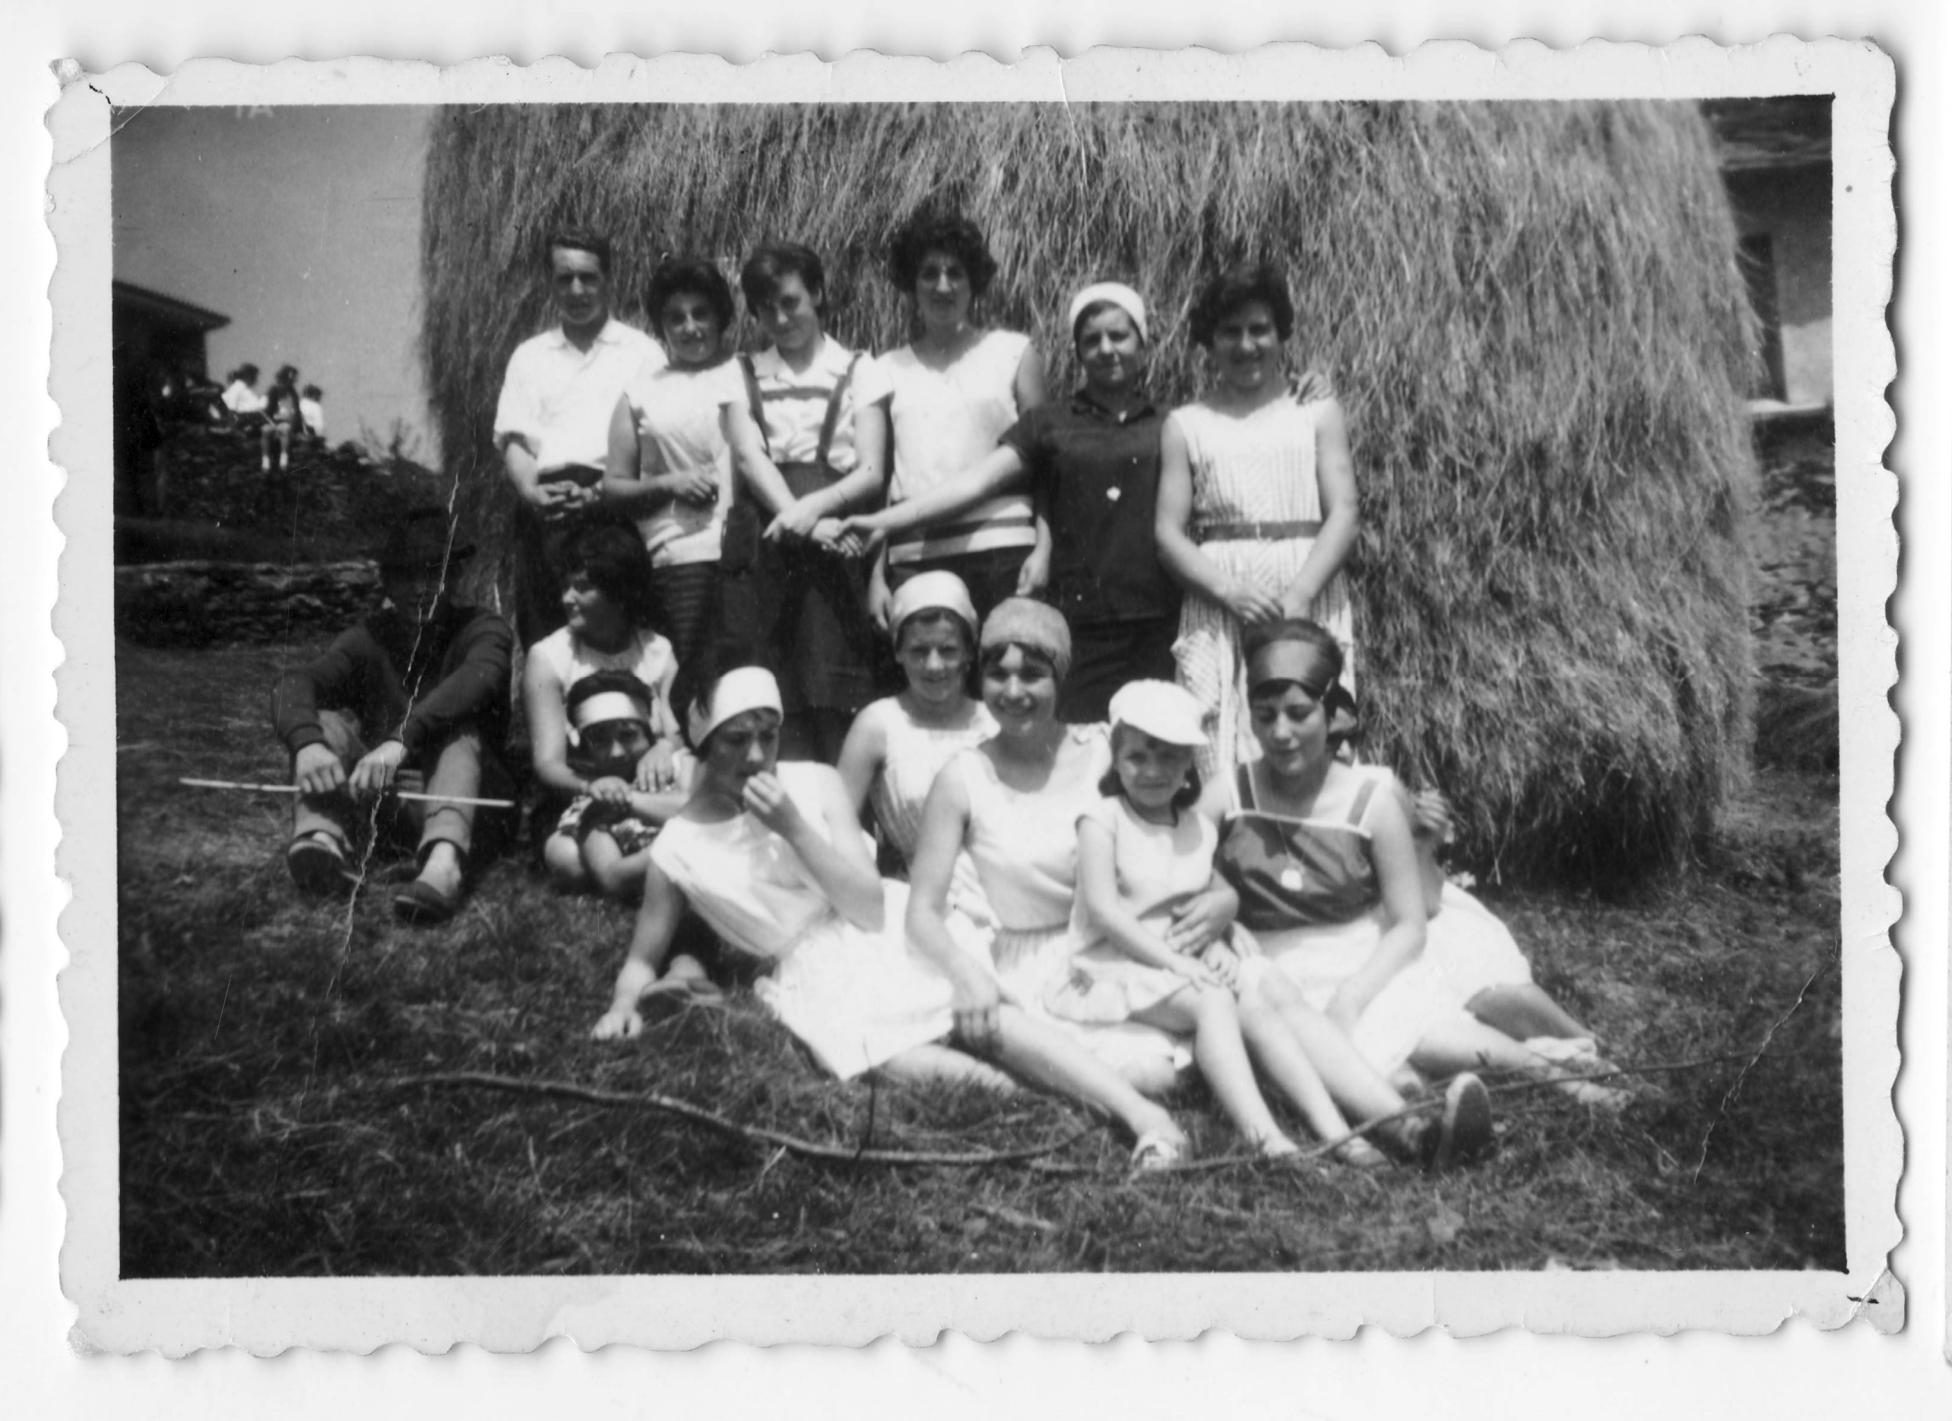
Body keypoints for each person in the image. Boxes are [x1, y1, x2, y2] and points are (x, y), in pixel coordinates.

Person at [593, 661, 1183, 1150]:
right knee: (894, 1057)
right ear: (701, 742)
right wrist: (623, 1004)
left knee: (982, 1019)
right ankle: (1059, 1107)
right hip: (809, 970)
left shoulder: (813, 783)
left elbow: (867, 906)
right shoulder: (676, 849)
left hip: (875, 933)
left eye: (767, 736)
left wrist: (793, 828)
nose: (756, 755)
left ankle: (1144, 1116)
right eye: (735, 740)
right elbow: (643, 956)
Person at [1213, 620, 1626, 1112]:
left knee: (1430, 1034)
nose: (1280, 733)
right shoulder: (1228, 791)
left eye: (1298, 714)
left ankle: (1557, 1077)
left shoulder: (1372, 799)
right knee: (1361, 1062)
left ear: (1330, 712)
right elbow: (1179, 864)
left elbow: (1409, 924)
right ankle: (1434, 1114)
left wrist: (1352, 995)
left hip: (1359, 954)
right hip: (1270, 965)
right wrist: (1222, 908)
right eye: (1265, 716)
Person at [904, 599, 1197, 1145]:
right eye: (998, 674)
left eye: (1033, 675)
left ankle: (1048, 1082)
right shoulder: (962, 776)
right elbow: (921, 910)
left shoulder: (1106, 752)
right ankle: (1140, 1118)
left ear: (1060, 677)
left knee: (1159, 1071)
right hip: (1016, 964)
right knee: (1014, 1027)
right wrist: (968, 976)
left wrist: (1220, 904)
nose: (1013, 692)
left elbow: (1177, 835)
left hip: (1107, 950)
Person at [1058, 680, 1386, 1165]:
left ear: (1189, 763)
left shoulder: (1195, 827)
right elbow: (1106, 914)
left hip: (1177, 965)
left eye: (1169, 757)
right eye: (1137, 757)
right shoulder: (1102, 819)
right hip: (1112, 965)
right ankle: (1266, 1136)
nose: (1153, 771)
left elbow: (1211, 892)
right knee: (1214, 999)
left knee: (1254, 996)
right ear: (1116, 759)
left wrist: (1219, 936)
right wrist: (1180, 964)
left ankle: (1337, 1130)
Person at [845, 281, 1180, 725]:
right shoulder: (1048, 424)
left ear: (1143, 342)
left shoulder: (1173, 423)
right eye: (1092, 340)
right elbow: (974, 484)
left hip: (1156, 618)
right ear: (1077, 352)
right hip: (1079, 621)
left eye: (1119, 336)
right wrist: (883, 522)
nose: (1106, 349)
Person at [1156, 261, 1359, 775]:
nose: (1246, 345)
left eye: (1259, 329)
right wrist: (1230, 592)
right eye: (1230, 332)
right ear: (1210, 340)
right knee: (1218, 737)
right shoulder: (1186, 423)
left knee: (1310, 724)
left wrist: (1301, 595)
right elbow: (1167, 533)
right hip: (1222, 596)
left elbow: (1344, 512)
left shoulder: (1316, 411)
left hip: (1305, 585)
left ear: (1280, 333)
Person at [271, 506, 516, 925]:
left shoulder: (483, 628)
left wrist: (400, 740)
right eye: (405, 576)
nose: (420, 589)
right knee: (326, 724)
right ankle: (320, 840)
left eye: (433, 574)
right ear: (386, 581)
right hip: (384, 801)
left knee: (459, 733)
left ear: (455, 576)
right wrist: (307, 743)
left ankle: (443, 866)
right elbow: (296, 682)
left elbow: (480, 678)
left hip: (470, 802)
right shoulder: (369, 636)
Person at [730, 242, 890, 761]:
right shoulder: (742, 371)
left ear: (817, 294)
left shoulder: (859, 368)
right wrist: (798, 519)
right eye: (766, 309)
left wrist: (811, 513)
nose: (780, 319)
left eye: (791, 302)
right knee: (777, 689)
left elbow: (872, 470)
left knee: (836, 688)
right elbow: (750, 458)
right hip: (772, 546)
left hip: (838, 547)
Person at [602, 256, 785, 678]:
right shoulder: (640, 393)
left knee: (748, 680)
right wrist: (670, 483)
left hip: (750, 555)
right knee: (693, 679)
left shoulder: (750, 372)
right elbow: (612, 488)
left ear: (721, 316)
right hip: (678, 557)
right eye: (676, 317)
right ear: (660, 325)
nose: (690, 327)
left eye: (701, 313)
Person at [867, 208, 1049, 630]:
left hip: (1004, 550)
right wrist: (876, 576)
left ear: (974, 283)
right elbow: (879, 479)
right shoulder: (886, 368)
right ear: (911, 284)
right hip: (916, 557)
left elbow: (1046, 465)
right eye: (929, 274)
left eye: (955, 273)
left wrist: (1044, 549)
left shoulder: (1014, 353)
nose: (943, 286)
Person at [494, 229, 663, 648]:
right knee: (548, 638)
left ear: (608, 279)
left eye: (588, 277)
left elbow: (657, 444)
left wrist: (600, 495)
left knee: (620, 634)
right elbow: (515, 441)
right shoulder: (529, 356)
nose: (576, 290)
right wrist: (532, 493)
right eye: (564, 278)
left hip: (615, 507)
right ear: (550, 282)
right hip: (546, 510)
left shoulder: (642, 352)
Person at [835, 572, 995, 921]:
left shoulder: (994, 720)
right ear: (898, 652)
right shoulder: (878, 724)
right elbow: (835, 824)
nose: (934, 665)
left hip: (1007, 890)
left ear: (969, 652)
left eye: (948, 650)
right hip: (925, 903)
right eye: (919, 651)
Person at [522, 520, 681, 844]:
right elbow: (549, 763)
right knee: (570, 858)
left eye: (582, 587)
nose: (567, 598)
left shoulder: (657, 650)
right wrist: (591, 786)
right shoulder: (549, 657)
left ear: (619, 593)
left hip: (654, 789)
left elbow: (675, 732)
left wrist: (664, 748)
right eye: (565, 586)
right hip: (583, 793)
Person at [543, 671, 689, 900]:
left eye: (628, 736)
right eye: (600, 741)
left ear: (648, 732)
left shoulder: (678, 764)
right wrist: (680, 852)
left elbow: (708, 811)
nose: (617, 752)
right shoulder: (591, 806)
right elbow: (612, 878)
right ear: (585, 750)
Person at [262, 364, 302, 473]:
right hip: (274, 421)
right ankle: (265, 460)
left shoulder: (293, 394)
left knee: (284, 429)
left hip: (287, 422)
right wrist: (271, 422)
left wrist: (295, 426)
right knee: (265, 430)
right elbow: (269, 409)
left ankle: (283, 458)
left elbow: (296, 412)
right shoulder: (274, 390)